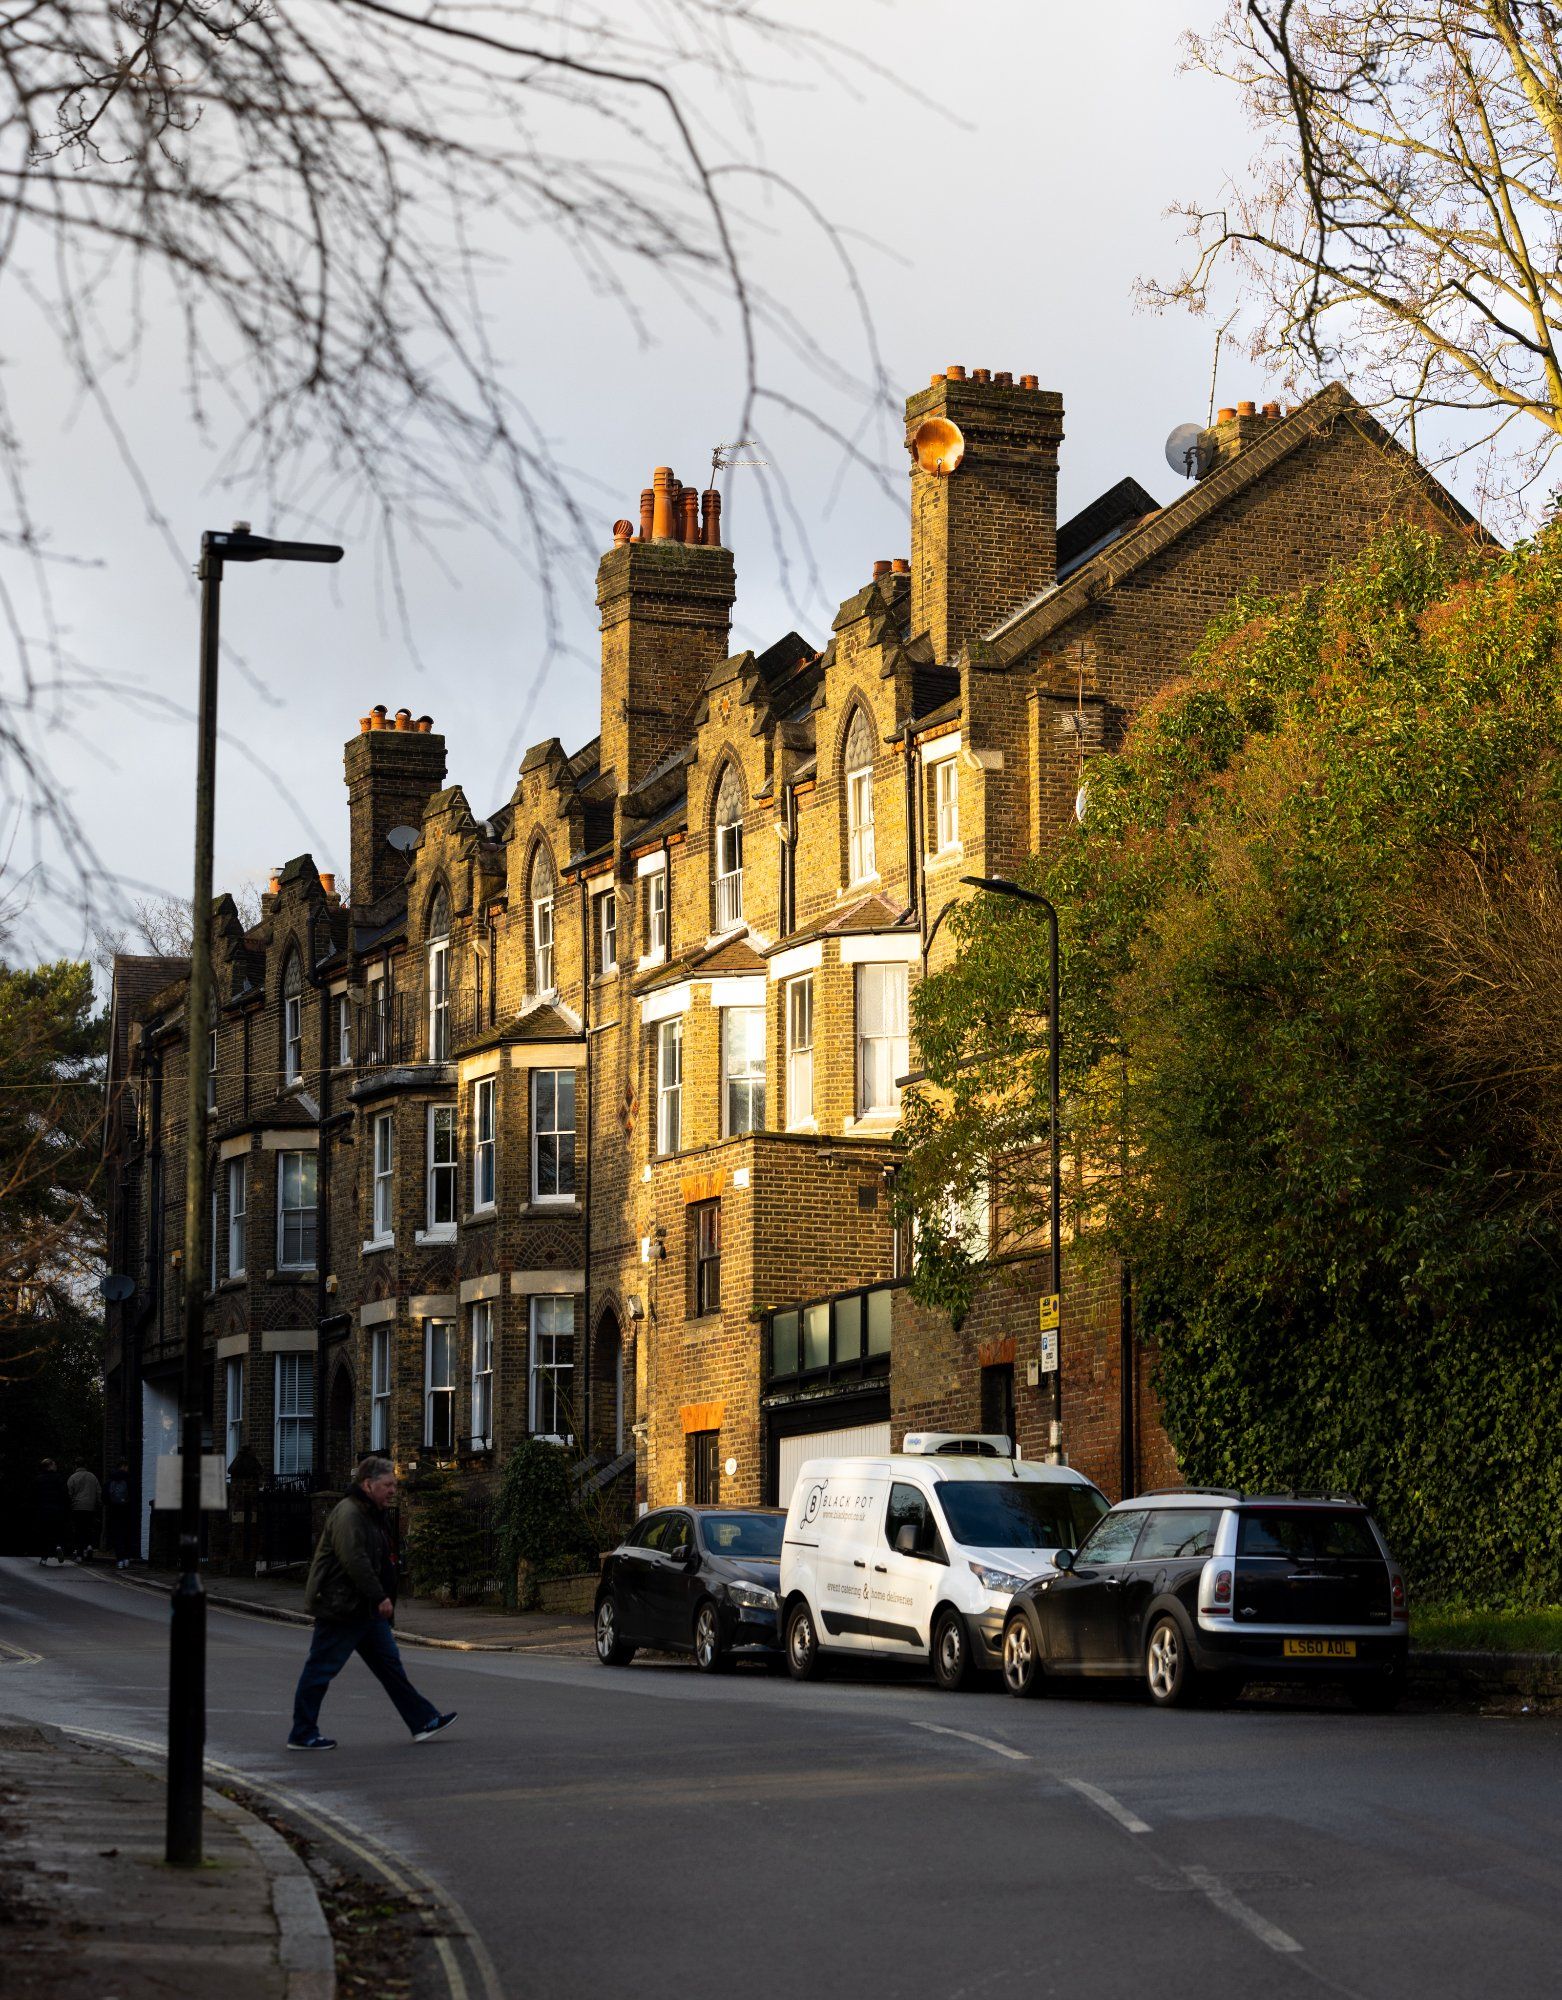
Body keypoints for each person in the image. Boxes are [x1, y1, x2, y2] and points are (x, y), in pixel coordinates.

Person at [288, 1455, 457, 1751]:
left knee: (391, 1667)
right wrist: (379, 1596)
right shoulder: (349, 1514)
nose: (393, 1490)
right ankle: (302, 1733)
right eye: (388, 1485)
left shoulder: (368, 1512)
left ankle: (422, 1721)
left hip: (363, 1611)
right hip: (341, 1608)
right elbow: (355, 1561)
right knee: (320, 1670)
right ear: (368, 1485)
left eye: (395, 1484)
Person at [35, 1459, 70, 1565]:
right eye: (54, 1464)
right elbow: (65, 1494)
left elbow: (34, 1495)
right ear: (49, 1466)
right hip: (58, 1509)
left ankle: (44, 1557)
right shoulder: (59, 1478)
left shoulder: (39, 1479)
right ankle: (58, 1546)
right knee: (58, 1530)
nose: (56, 1466)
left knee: (45, 1533)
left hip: (44, 1510)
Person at [66, 1461, 102, 1562]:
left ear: (76, 1465)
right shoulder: (92, 1477)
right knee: (88, 1528)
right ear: (85, 1465)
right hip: (90, 1507)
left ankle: (79, 1555)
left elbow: (69, 1493)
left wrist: (70, 1505)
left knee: (79, 1530)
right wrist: (98, 1503)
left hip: (77, 1507)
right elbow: (99, 1491)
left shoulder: (72, 1477)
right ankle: (89, 1545)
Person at [104, 1461, 134, 1567]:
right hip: (126, 1511)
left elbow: (105, 1498)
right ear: (124, 1467)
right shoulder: (129, 1479)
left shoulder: (110, 1480)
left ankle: (120, 1560)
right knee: (127, 1534)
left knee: (117, 1536)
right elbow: (134, 1496)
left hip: (114, 1512)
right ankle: (126, 1558)